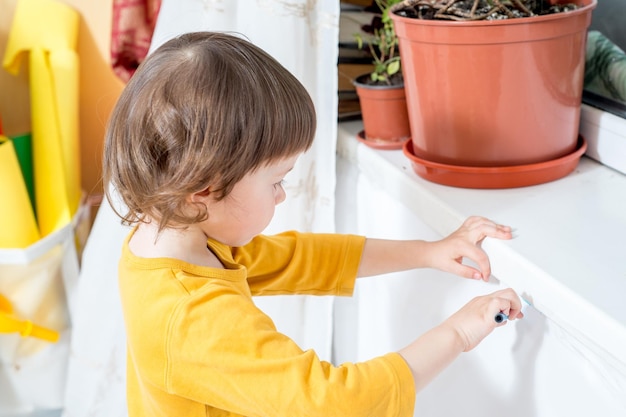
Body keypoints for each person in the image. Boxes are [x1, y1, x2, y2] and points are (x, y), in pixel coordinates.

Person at [103, 31, 523, 417]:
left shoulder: (171, 241)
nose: (283, 194)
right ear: (204, 190)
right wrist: (459, 333)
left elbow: (302, 258)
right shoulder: (192, 316)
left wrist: (428, 251)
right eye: (277, 180)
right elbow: (335, 404)